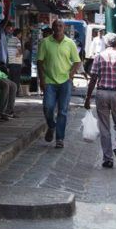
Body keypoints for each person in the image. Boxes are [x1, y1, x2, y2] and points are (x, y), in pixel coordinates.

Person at [84, 33, 116, 168]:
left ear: (106, 43)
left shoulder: (99, 57)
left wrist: (88, 97)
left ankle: (107, 159)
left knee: (104, 126)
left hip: (102, 93)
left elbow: (93, 79)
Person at [37, 20, 82, 148]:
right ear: (52, 27)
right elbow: (40, 62)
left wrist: (70, 75)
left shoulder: (70, 43)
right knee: (48, 107)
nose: (58, 28)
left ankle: (60, 139)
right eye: (56, 25)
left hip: (65, 82)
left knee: (62, 111)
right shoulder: (45, 42)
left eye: (60, 26)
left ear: (64, 28)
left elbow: (77, 62)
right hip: (49, 81)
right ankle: (51, 126)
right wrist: (42, 80)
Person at [6, 27, 24, 95]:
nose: (21, 36)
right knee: (16, 78)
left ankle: (11, 92)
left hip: (11, 62)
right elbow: (19, 52)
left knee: (12, 78)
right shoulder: (17, 41)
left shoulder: (10, 40)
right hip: (16, 62)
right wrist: (21, 54)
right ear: (18, 34)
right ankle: (15, 93)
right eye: (20, 34)